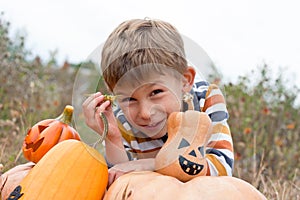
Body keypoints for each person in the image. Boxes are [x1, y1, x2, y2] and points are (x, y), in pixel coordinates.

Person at [82, 18, 234, 186]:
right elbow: (120, 180)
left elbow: (221, 168)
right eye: (129, 99)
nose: (145, 113)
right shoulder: (122, 121)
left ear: (185, 80)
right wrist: (113, 138)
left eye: (156, 92)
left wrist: (151, 164)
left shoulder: (207, 100)